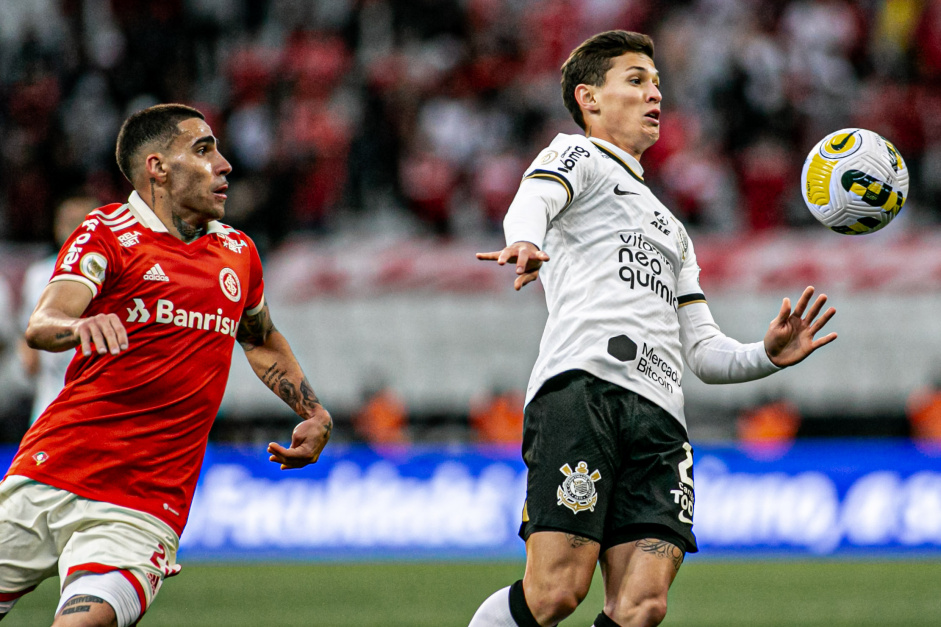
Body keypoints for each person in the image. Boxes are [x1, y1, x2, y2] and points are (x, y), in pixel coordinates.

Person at [470, 31, 837, 627]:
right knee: (556, 592)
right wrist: (527, 239)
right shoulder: (579, 157)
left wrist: (766, 355)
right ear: (589, 99)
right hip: (584, 390)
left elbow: (704, 352)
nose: (654, 95)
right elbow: (534, 196)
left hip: (661, 419)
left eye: (658, 84)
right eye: (637, 81)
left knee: (642, 605)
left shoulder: (672, 228)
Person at [0, 103, 333, 627]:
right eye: (204, 150)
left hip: (140, 506)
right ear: (157, 166)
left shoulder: (237, 253)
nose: (224, 164)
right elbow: (43, 321)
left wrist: (314, 412)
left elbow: (261, 338)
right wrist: (78, 327)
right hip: (48, 472)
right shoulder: (107, 232)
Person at [18, 194, 100, 424]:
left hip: (98, 403)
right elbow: (27, 335)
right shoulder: (38, 274)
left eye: (82, 221)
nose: (75, 229)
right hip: (50, 403)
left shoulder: (116, 270)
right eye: (68, 221)